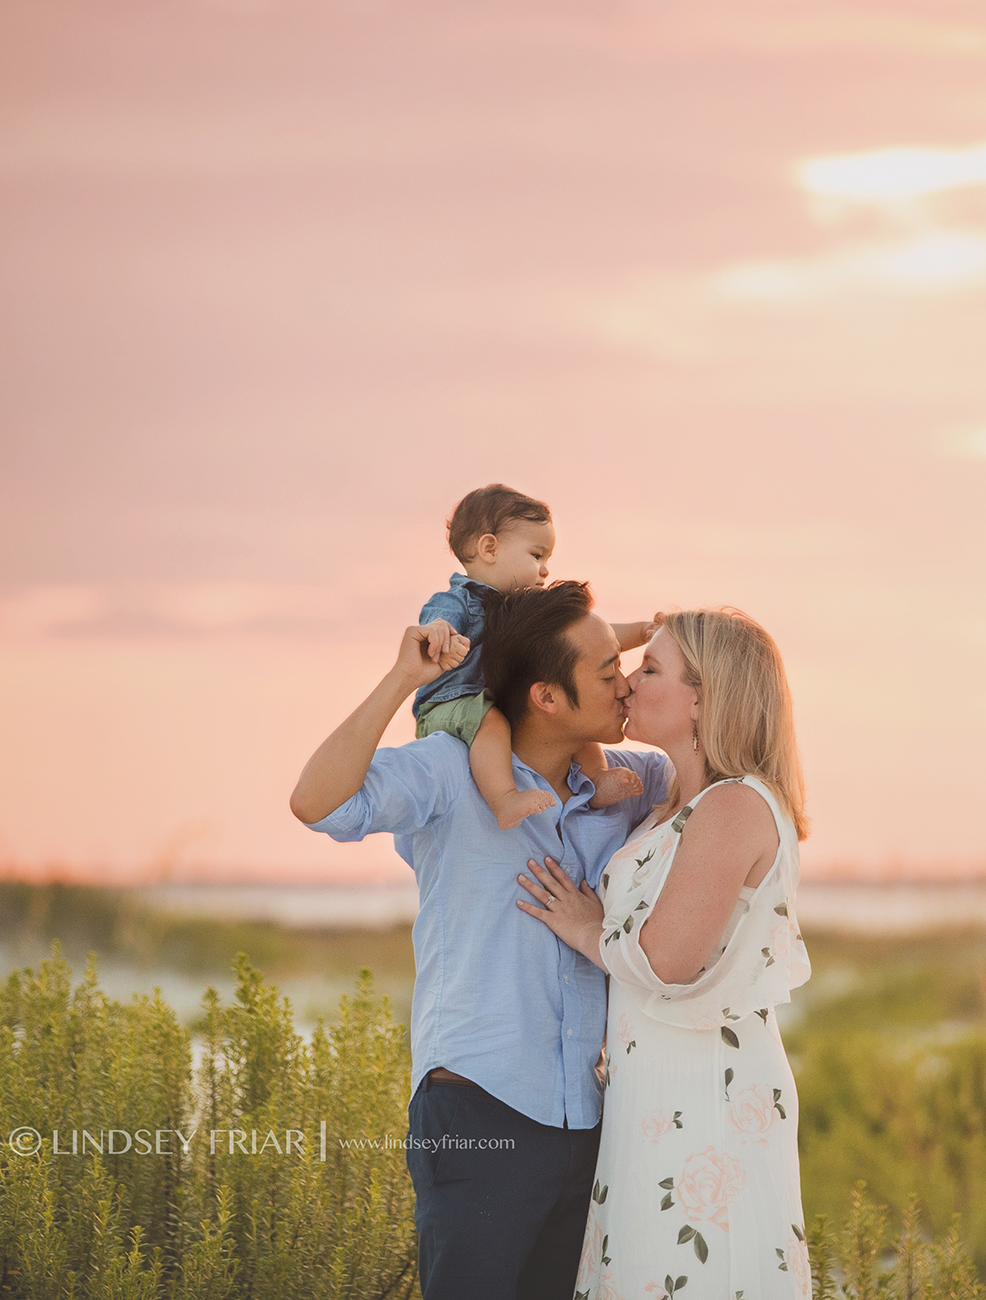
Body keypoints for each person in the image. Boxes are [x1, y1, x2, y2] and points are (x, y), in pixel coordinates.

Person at [290, 580, 673, 1300]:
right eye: (605, 672)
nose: (624, 684)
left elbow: (721, 777)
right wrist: (404, 678)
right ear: (547, 697)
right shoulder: (449, 772)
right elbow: (318, 802)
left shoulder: (625, 783)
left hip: (586, 1119)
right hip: (479, 1111)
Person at [514, 608, 813, 1298]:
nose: (628, 680)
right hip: (656, 1089)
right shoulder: (672, 806)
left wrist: (586, 929)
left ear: (703, 696)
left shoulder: (735, 805)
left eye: (650, 668)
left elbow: (669, 959)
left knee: (698, 1271)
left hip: (707, 1092)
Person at [414, 483, 661, 827]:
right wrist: (441, 633)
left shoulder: (516, 611)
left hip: (484, 702)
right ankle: (504, 799)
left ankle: (597, 777)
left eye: (547, 559)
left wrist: (641, 631)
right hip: (449, 703)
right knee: (493, 722)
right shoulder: (459, 600)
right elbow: (436, 625)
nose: (545, 570)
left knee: (576, 725)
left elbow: (591, 642)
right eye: (536, 556)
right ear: (489, 548)